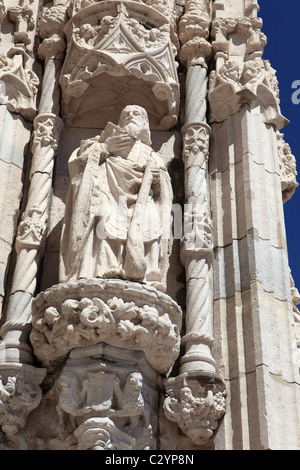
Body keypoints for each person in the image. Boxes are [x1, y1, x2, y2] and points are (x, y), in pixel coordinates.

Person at [59, 105, 173, 291]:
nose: (131, 116)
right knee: (103, 212)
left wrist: (157, 177)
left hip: (140, 204)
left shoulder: (151, 155)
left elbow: (164, 188)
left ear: (145, 124)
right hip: (108, 195)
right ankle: (103, 268)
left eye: (137, 114)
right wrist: (104, 148)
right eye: (126, 114)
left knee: (151, 216)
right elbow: (78, 165)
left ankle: (147, 274)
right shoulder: (101, 142)